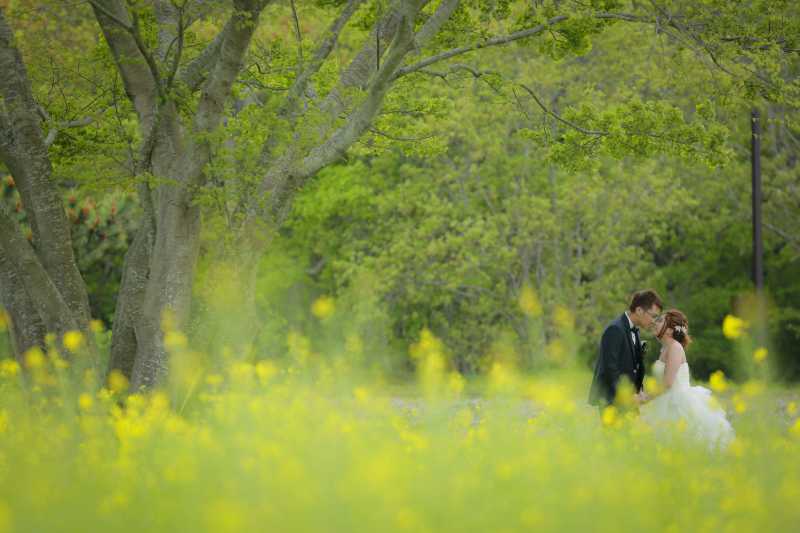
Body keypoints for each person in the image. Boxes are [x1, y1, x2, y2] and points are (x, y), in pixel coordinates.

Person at [639, 309, 734, 449]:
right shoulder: (665, 348)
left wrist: (645, 398)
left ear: (670, 330)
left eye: (660, 321)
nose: (655, 323)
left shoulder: (675, 348)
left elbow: (668, 383)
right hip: (665, 400)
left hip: (677, 403)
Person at [588, 290, 663, 410]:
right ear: (639, 310)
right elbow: (610, 368)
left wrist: (639, 392)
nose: (654, 321)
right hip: (612, 402)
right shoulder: (615, 329)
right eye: (653, 316)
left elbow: (633, 368)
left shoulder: (634, 330)